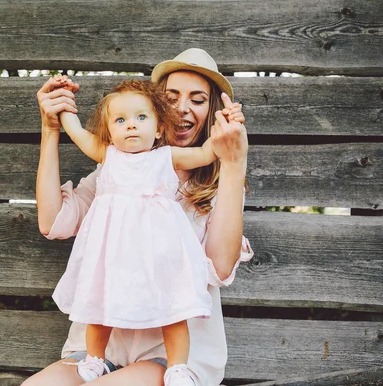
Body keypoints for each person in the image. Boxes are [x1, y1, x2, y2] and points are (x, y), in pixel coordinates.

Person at [26, 48, 253, 386]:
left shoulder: (219, 186)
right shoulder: (114, 172)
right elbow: (52, 222)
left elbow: (219, 266)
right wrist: (51, 129)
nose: (182, 108)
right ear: (156, 108)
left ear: (212, 111)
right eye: (171, 96)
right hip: (101, 351)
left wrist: (233, 164)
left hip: (173, 357)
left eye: (198, 99)